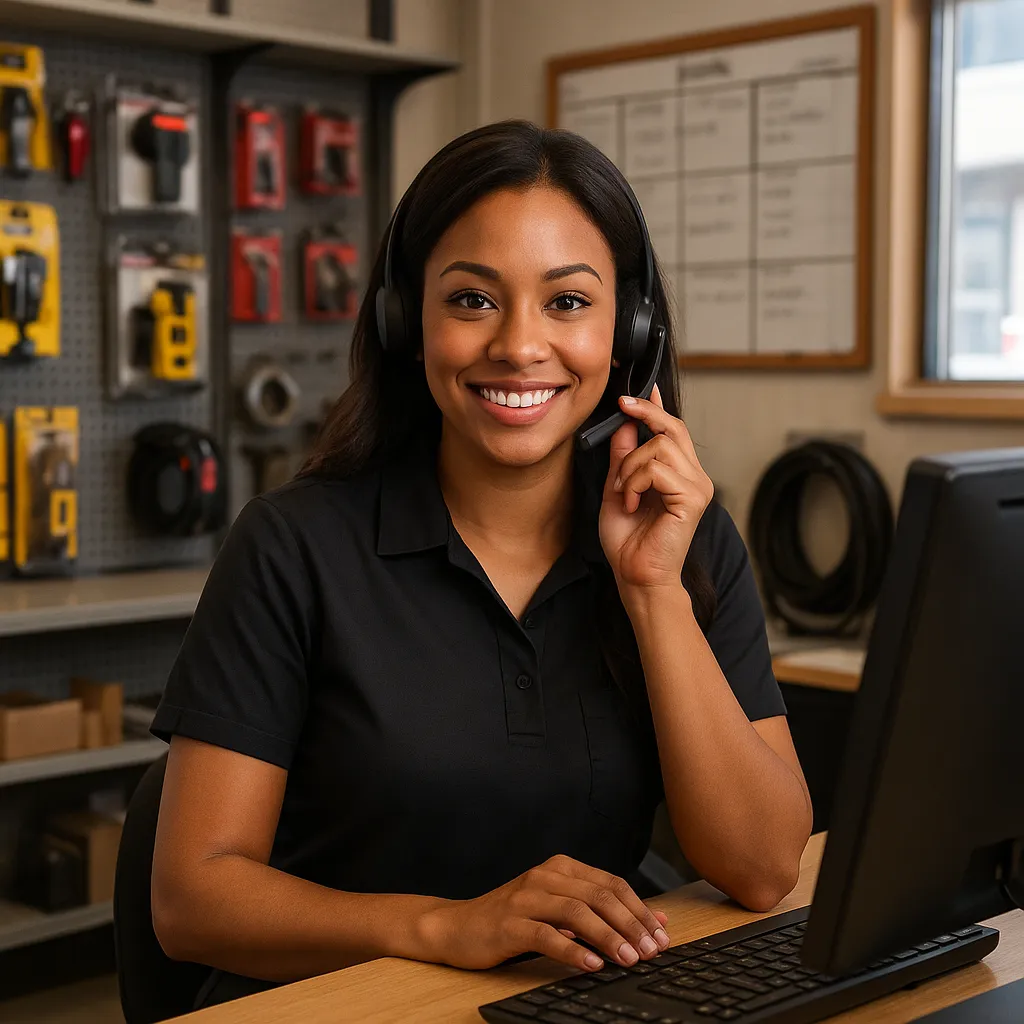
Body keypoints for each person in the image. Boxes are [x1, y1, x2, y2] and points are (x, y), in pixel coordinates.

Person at [149, 119, 813, 1010]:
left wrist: (653, 592)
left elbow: (764, 869)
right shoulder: (290, 547)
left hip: (561, 1006)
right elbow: (191, 901)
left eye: (567, 302)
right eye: (472, 299)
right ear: (406, 321)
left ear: (631, 329)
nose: (519, 346)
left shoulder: (685, 540)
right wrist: (445, 928)